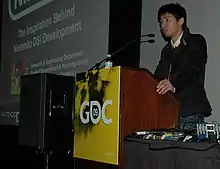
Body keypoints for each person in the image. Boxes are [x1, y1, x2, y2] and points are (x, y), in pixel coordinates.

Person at [154, 3, 212, 131]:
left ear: (181, 21)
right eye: (161, 22)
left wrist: (173, 84)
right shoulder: (166, 51)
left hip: (189, 111)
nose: (163, 25)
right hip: (168, 113)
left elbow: (192, 70)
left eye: (167, 20)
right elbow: (157, 76)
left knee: (187, 151)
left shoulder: (196, 42)